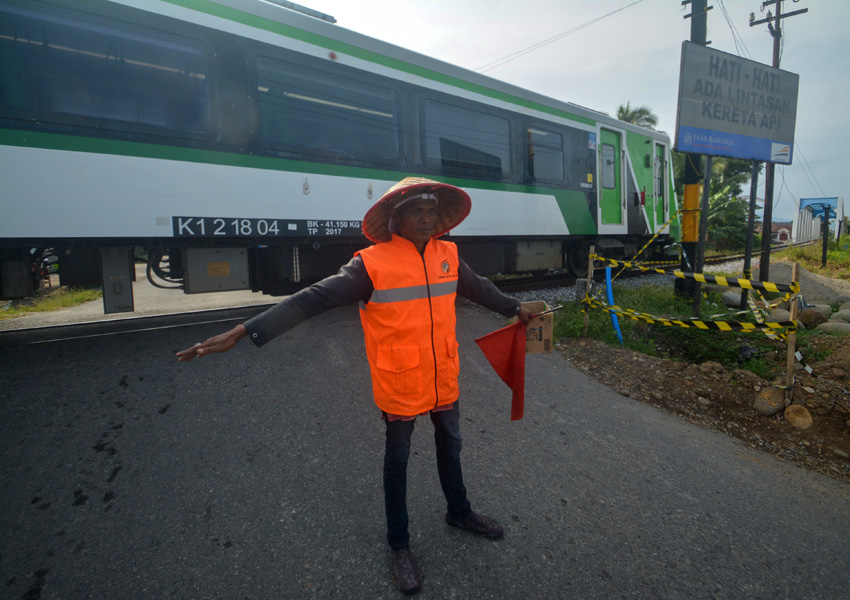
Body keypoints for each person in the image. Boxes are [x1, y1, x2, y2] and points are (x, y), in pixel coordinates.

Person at [177, 177, 532, 595]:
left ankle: (460, 512)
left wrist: (516, 307)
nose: (426, 219)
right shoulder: (371, 264)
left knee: (451, 446)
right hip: (400, 381)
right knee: (397, 461)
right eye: (417, 212)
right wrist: (244, 330)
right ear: (395, 219)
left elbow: (480, 290)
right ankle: (398, 545)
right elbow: (311, 299)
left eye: (431, 212)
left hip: (443, 378)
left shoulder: (448, 256)